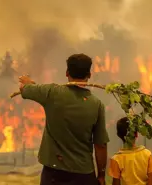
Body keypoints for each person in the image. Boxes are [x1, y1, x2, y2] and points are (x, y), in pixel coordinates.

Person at [19, 53, 109, 185]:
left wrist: (27, 82)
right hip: (83, 175)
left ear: (67, 72)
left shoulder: (51, 93)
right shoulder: (97, 105)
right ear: (89, 75)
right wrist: (101, 175)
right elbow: (100, 145)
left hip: (54, 174)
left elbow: (24, 89)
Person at [108, 117, 152, 185]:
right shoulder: (147, 154)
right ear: (136, 134)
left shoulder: (116, 159)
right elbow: (151, 181)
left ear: (119, 135)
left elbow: (116, 183)